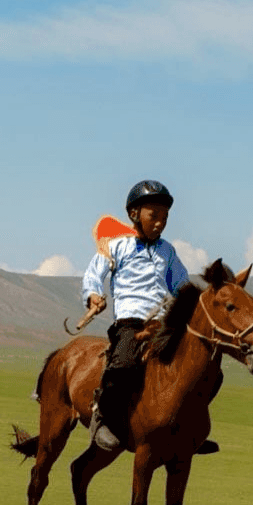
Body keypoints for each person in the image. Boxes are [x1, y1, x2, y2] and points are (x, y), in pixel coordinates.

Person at [81, 179, 214, 452]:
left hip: (164, 324)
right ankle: (101, 418)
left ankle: (189, 427)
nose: (160, 222)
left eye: (165, 217)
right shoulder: (118, 246)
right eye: (154, 215)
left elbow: (181, 285)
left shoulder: (168, 251)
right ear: (134, 214)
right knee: (124, 364)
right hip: (130, 321)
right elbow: (95, 273)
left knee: (204, 366)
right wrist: (93, 294)